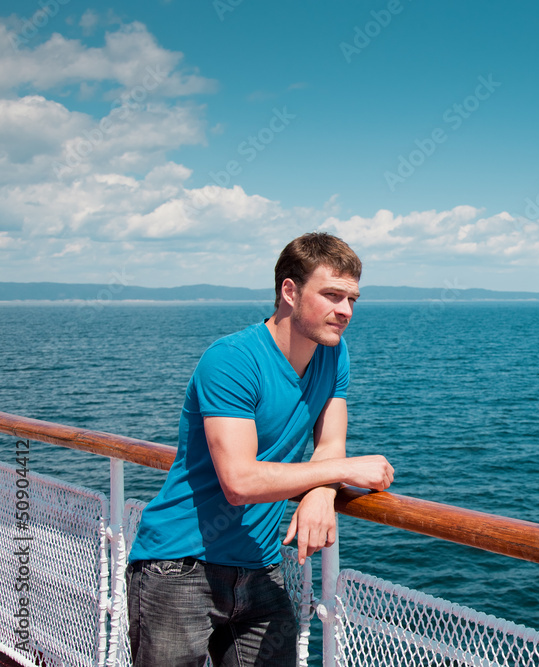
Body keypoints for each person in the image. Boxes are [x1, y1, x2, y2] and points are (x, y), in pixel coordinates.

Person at [126, 232, 393, 666]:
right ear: (290, 291)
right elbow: (240, 481)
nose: (344, 311)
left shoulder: (333, 354)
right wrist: (345, 470)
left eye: (352, 300)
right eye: (331, 295)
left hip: (260, 564)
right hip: (179, 567)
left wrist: (323, 493)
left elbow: (328, 447)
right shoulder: (232, 359)